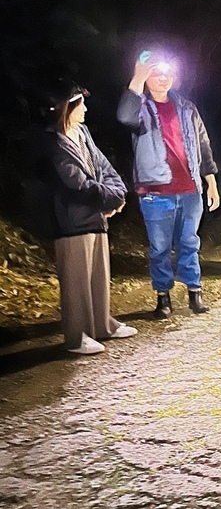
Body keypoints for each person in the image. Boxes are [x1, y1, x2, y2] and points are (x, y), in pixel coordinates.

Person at [116, 52, 220, 318]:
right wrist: (137, 77)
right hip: (155, 191)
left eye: (167, 74)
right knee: (160, 248)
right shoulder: (141, 108)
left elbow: (203, 144)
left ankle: (194, 292)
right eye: (156, 73)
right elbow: (124, 116)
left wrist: (210, 181)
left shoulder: (187, 107)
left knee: (189, 242)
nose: (162, 78)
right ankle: (163, 297)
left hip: (190, 190)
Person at [44, 86, 136, 354]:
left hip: (95, 216)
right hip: (71, 220)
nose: (85, 109)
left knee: (98, 274)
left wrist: (119, 194)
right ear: (66, 109)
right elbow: (77, 184)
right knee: (76, 281)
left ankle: (101, 325)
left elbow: (104, 167)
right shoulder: (54, 143)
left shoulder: (82, 133)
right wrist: (110, 200)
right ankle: (77, 336)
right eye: (79, 105)